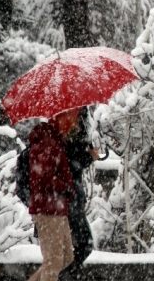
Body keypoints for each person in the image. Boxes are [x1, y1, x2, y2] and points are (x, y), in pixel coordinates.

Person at [28, 108, 78, 281]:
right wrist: (66, 187)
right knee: (54, 261)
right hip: (48, 208)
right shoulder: (47, 143)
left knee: (65, 257)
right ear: (60, 117)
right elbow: (44, 178)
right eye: (72, 117)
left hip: (56, 207)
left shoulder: (55, 141)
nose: (74, 123)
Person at [59, 108, 101, 281]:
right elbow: (70, 164)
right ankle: (65, 276)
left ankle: (66, 274)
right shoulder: (64, 126)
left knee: (72, 247)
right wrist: (89, 156)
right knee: (83, 244)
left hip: (67, 198)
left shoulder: (72, 122)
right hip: (68, 198)